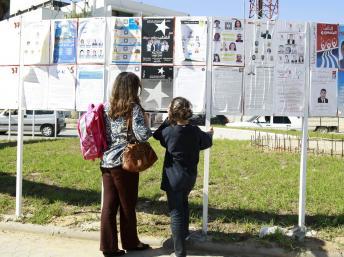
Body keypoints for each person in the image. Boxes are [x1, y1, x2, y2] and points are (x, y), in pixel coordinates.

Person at [153, 97, 213, 257]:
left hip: (173, 178)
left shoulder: (169, 131)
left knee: (176, 212)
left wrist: (167, 119)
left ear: (172, 113)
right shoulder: (195, 130)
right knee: (183, 204)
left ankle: (179, 252)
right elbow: (206, 142)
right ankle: (185, 233)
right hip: (189, 177)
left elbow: (157, 135)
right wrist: (210, 134)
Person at [100, 72, 152, 257]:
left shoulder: (107, 107)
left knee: (109, 205)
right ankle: (131, 242)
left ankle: (109, 247)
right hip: (125, 163)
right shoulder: (133, 108)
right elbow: (142, 135)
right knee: (127, 204)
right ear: (132, 88)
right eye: (137, 86)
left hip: (107, 162)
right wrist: (147, 122)